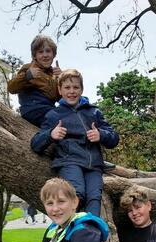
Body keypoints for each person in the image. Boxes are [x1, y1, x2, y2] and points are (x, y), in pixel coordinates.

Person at [31, 69, 119, 217]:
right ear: (60, 90)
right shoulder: (54, 115)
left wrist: (101, 135)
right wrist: (51, 134)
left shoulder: (94, 112)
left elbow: (114, 139)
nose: (71, 91)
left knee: (94, 197)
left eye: (76, 87)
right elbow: (35, 144)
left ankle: (91, 227)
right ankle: (71, 227)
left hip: (93, 165)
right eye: (67, 87)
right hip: (69, 161)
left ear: (82, 89)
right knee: (76, 194)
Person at [7, 35, 61, 127]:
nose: (45, 55)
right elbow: (11, 88)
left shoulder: (53, 74)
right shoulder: (29, 68)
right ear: (34, 55)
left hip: (49, 109)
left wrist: (61, 80)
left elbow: (60, 98)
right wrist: (27, 76)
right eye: (40, 52)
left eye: (48, 51)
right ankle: (44, 135)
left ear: (53, 54)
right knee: (58, 120)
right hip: (33, 109)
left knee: (68, 117)